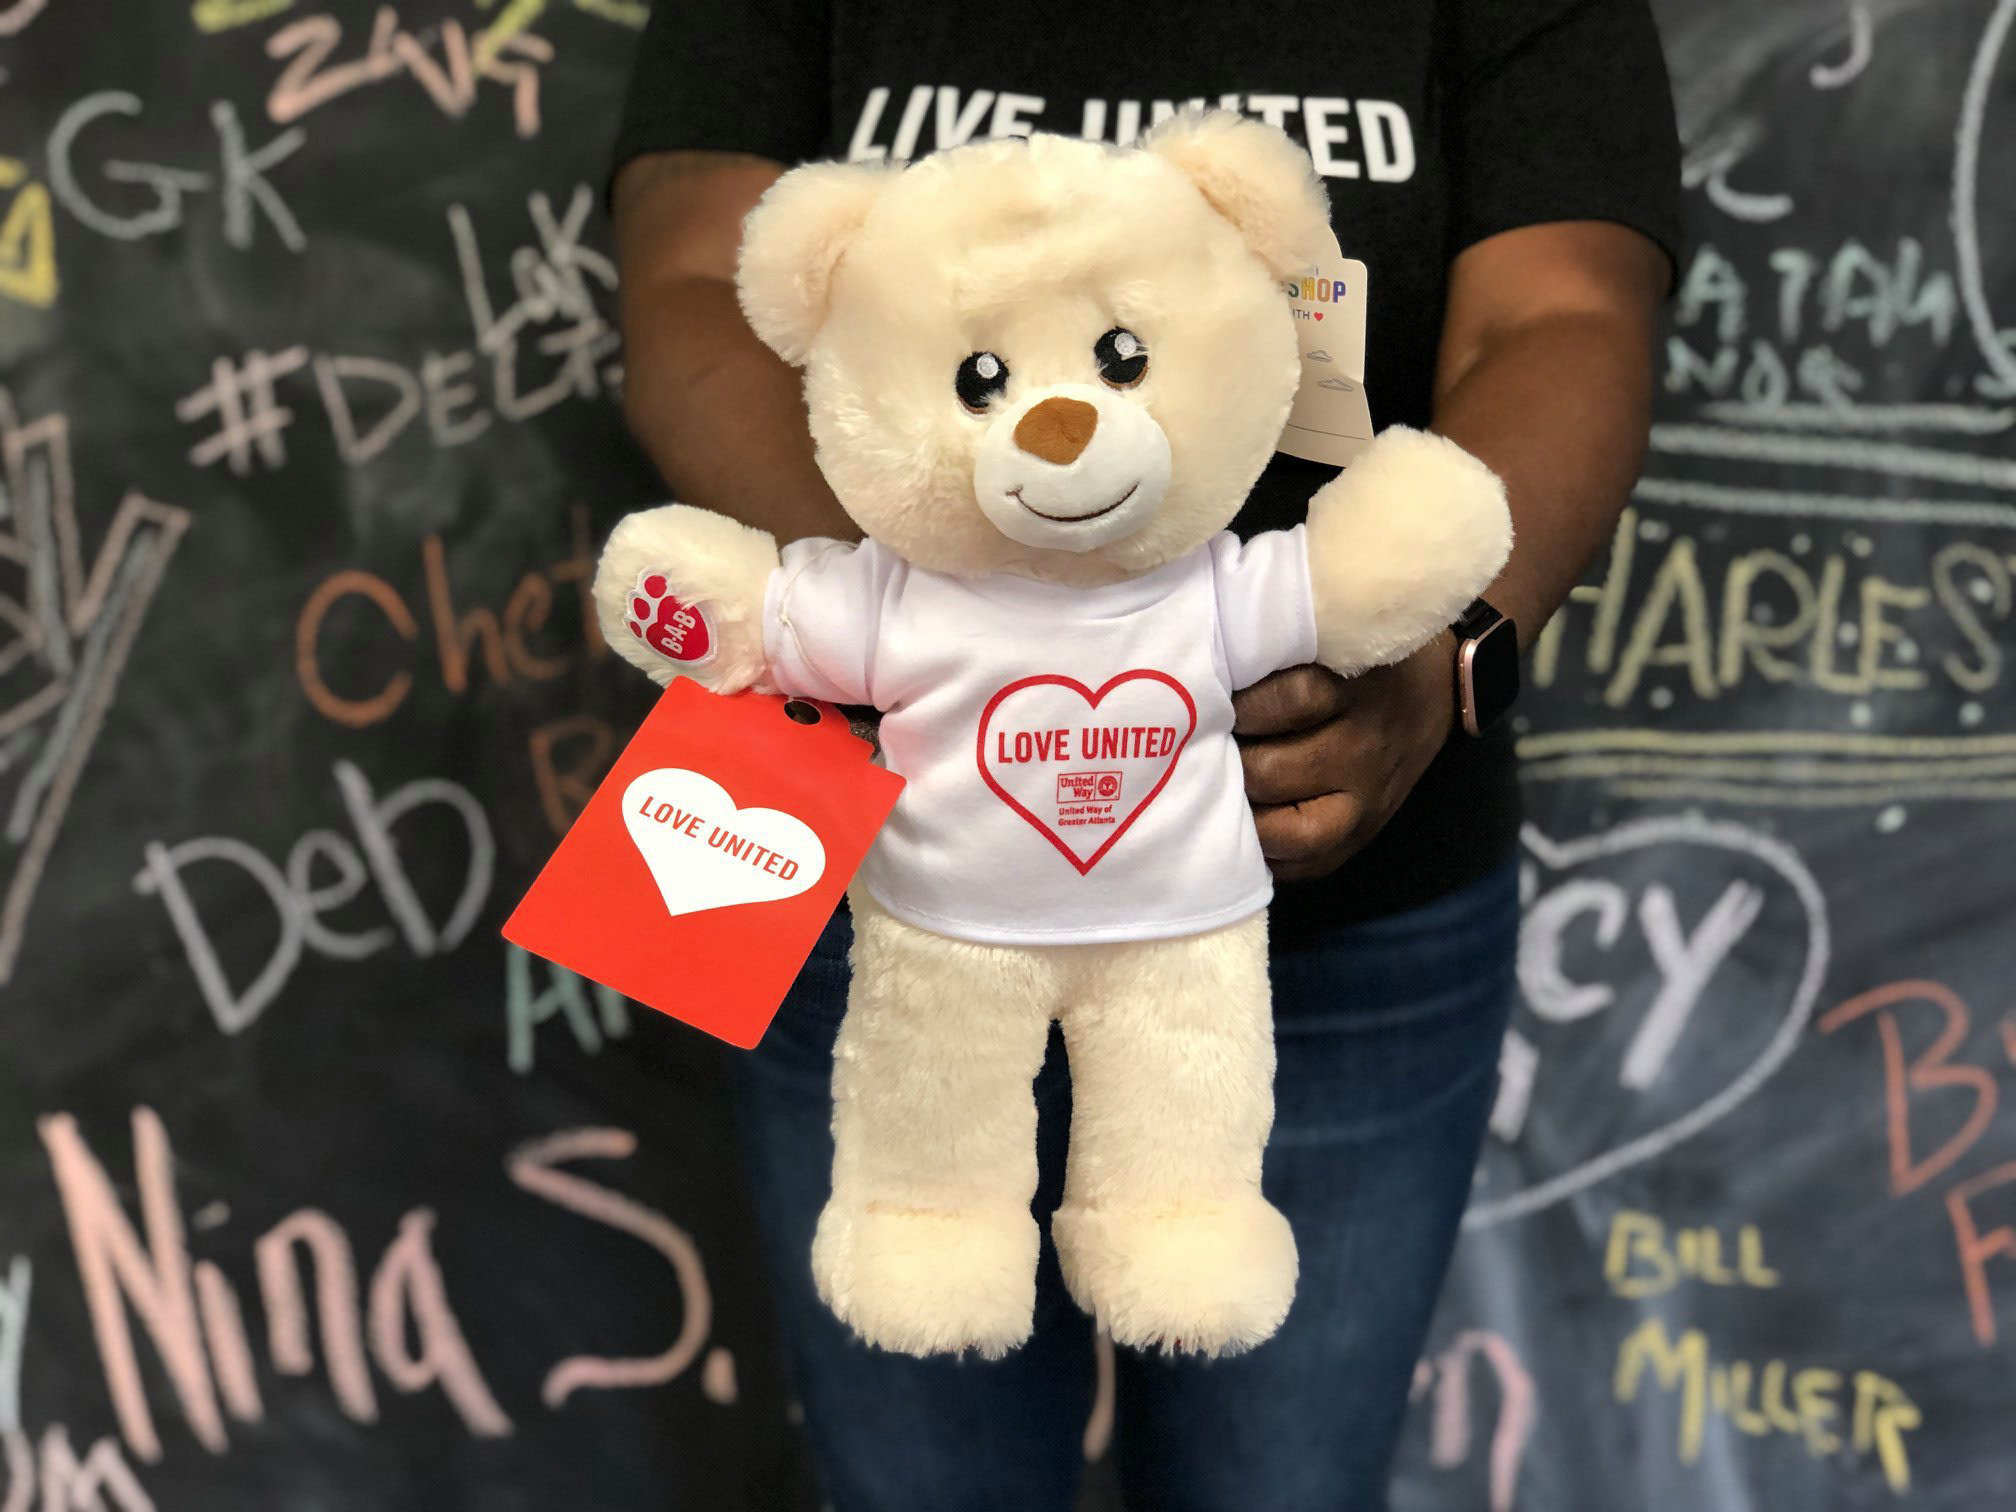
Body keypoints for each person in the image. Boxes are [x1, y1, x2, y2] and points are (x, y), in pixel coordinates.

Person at [607, 3, 1681, 1507]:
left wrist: (1444, 655)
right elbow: (689, 272)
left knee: (1279, 1477)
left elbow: (1564, 310)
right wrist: (946, 619)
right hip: (860, 853)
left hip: (1356, 907)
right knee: (920, 1454)